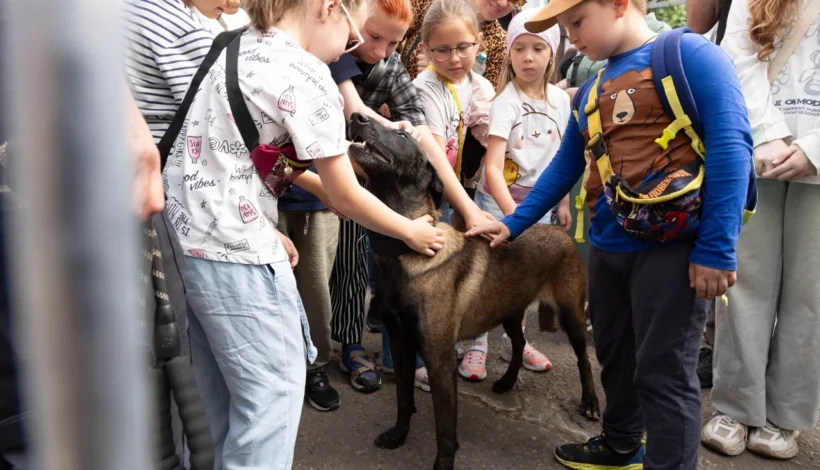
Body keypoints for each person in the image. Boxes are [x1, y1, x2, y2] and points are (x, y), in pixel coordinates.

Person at [468, 0, 753, 468]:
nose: (571, 37)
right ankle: (621, 444)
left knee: (664, 374)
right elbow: (565, 165)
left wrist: (718, 250)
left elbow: (731, 145)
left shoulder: (691, 55)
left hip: (673, 250)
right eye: (564, 27)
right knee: (616, 356)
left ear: (620, 4)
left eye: (577, 22)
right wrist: (513, 222)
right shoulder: (591, 86)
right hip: (607, 245)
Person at [163, 0, 446, 467]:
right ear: (329, 8)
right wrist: (410, 232)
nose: (349, 52)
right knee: (271, 402)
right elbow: (348, 194)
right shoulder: (308, 73)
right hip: (239, 256)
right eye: (354, 36)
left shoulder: (235, 46)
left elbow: (257, 156)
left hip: (186, 246)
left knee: (213, 400)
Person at [327, 0, 497, 395]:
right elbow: (357, 114)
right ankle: (330, 349)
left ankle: (358, 347)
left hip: (367, 185)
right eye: (372, 37)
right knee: (331, 270)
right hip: (321, 174)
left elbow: (426, 142)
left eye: (393, 43)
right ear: (350, 19)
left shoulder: (393, 68)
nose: (380, 51)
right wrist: (395, 129)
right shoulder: (333, 53)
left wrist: (469, 209)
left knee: (357, 265)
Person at [702, 0, 820, 460]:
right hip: (758, 152)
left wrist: (815, 147)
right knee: (744, 282)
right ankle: (734, 405)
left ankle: (785, 415)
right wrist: (767, 133)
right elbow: (736, 58)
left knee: (809, 293)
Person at [460, 9, 570, 382]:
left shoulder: (561, 101)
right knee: (488, 277)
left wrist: (564, 204)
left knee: (522, 280)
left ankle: (516, 344)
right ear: (508, 53)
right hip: (499, 204)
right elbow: (492, 167)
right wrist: (514, 218)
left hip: (541, 206)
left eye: (538, 48)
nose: (528, 57)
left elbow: (562, 160)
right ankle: (477, 344)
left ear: (551, 53)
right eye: (519, 47)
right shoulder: (504, 101)